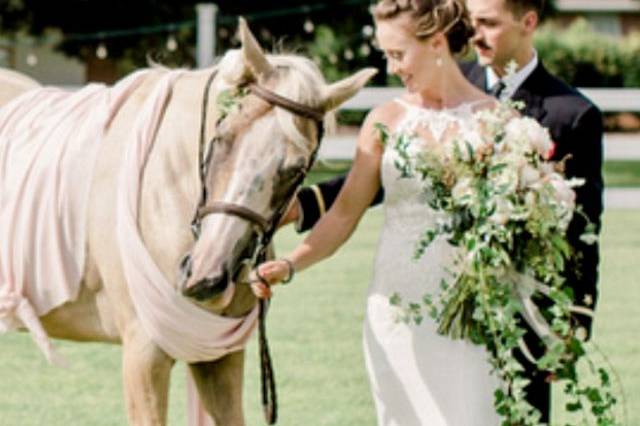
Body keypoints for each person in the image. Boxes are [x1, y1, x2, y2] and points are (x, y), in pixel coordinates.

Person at [276, 0, 605, 422]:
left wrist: (570, 325)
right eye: (472, 21)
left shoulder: (551, 115)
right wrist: (296, 229)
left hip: (494, 314)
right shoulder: (401, 107)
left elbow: (580, 230)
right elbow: (366, 192)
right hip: (400, 307)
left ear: (528, 23)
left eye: (487, 23)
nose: (475, 33)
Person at [253, 0, 505, 424]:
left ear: (438, 42)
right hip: (396, 315)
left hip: (474, 318)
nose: (392, 68)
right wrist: (290, 264)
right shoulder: (384, 121)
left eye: (397, 54)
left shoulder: (497, 122)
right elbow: (344, 214)